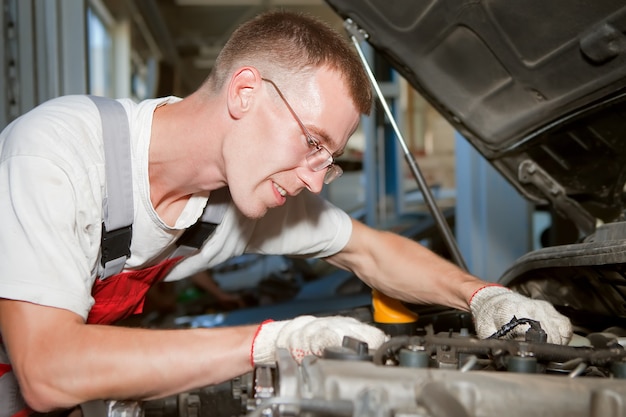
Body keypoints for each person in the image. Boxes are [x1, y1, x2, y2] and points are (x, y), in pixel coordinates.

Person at [0, 9, 572, 416]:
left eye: (331, 160)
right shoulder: (58, 152)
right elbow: (47, 368)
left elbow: (370, 249)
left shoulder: (236, 202)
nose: (314, 179)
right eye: (313, 143)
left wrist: (483, 296)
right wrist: (271, 342)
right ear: (246, 93)